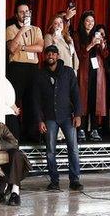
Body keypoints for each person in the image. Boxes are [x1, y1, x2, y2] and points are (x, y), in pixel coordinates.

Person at [34, 44, 83, 191]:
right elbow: (35, 99)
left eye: (53, 54)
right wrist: (39, 120)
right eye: (48, 53)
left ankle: (74, 180)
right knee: (50, 151)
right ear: (45, 56)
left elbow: (76, 94)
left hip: (68, 116)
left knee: (73, 149)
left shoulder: (68, 72)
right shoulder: (40, 74)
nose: (50, 56)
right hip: (49, 117)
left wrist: (78, 114)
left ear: (57, 56)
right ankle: (54, 181)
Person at [5, 0, 44, 142]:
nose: (24, 14)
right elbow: (11, 48)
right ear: (16, 15)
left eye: (27, 11)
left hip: (33, 68)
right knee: (13, 101)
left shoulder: (36, 29)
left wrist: (22, 47)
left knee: (32, 101)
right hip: (16, 68)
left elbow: (39, 48)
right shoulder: (10, 29)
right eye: (21, 12)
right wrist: (21, 31)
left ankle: (32, 135)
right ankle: (13, 136)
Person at [79, 23, 109, 141]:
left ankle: (94, 129)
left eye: (92, 21)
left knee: (96, 101)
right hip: (84, 72)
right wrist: (91, 43)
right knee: (83, 100)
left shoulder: (101, 39)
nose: (90, 23)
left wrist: (101, 44)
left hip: (98, 74)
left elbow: (106, 55)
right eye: (87, 20)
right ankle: (81, 128)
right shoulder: (82, 38)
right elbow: (81, 54)